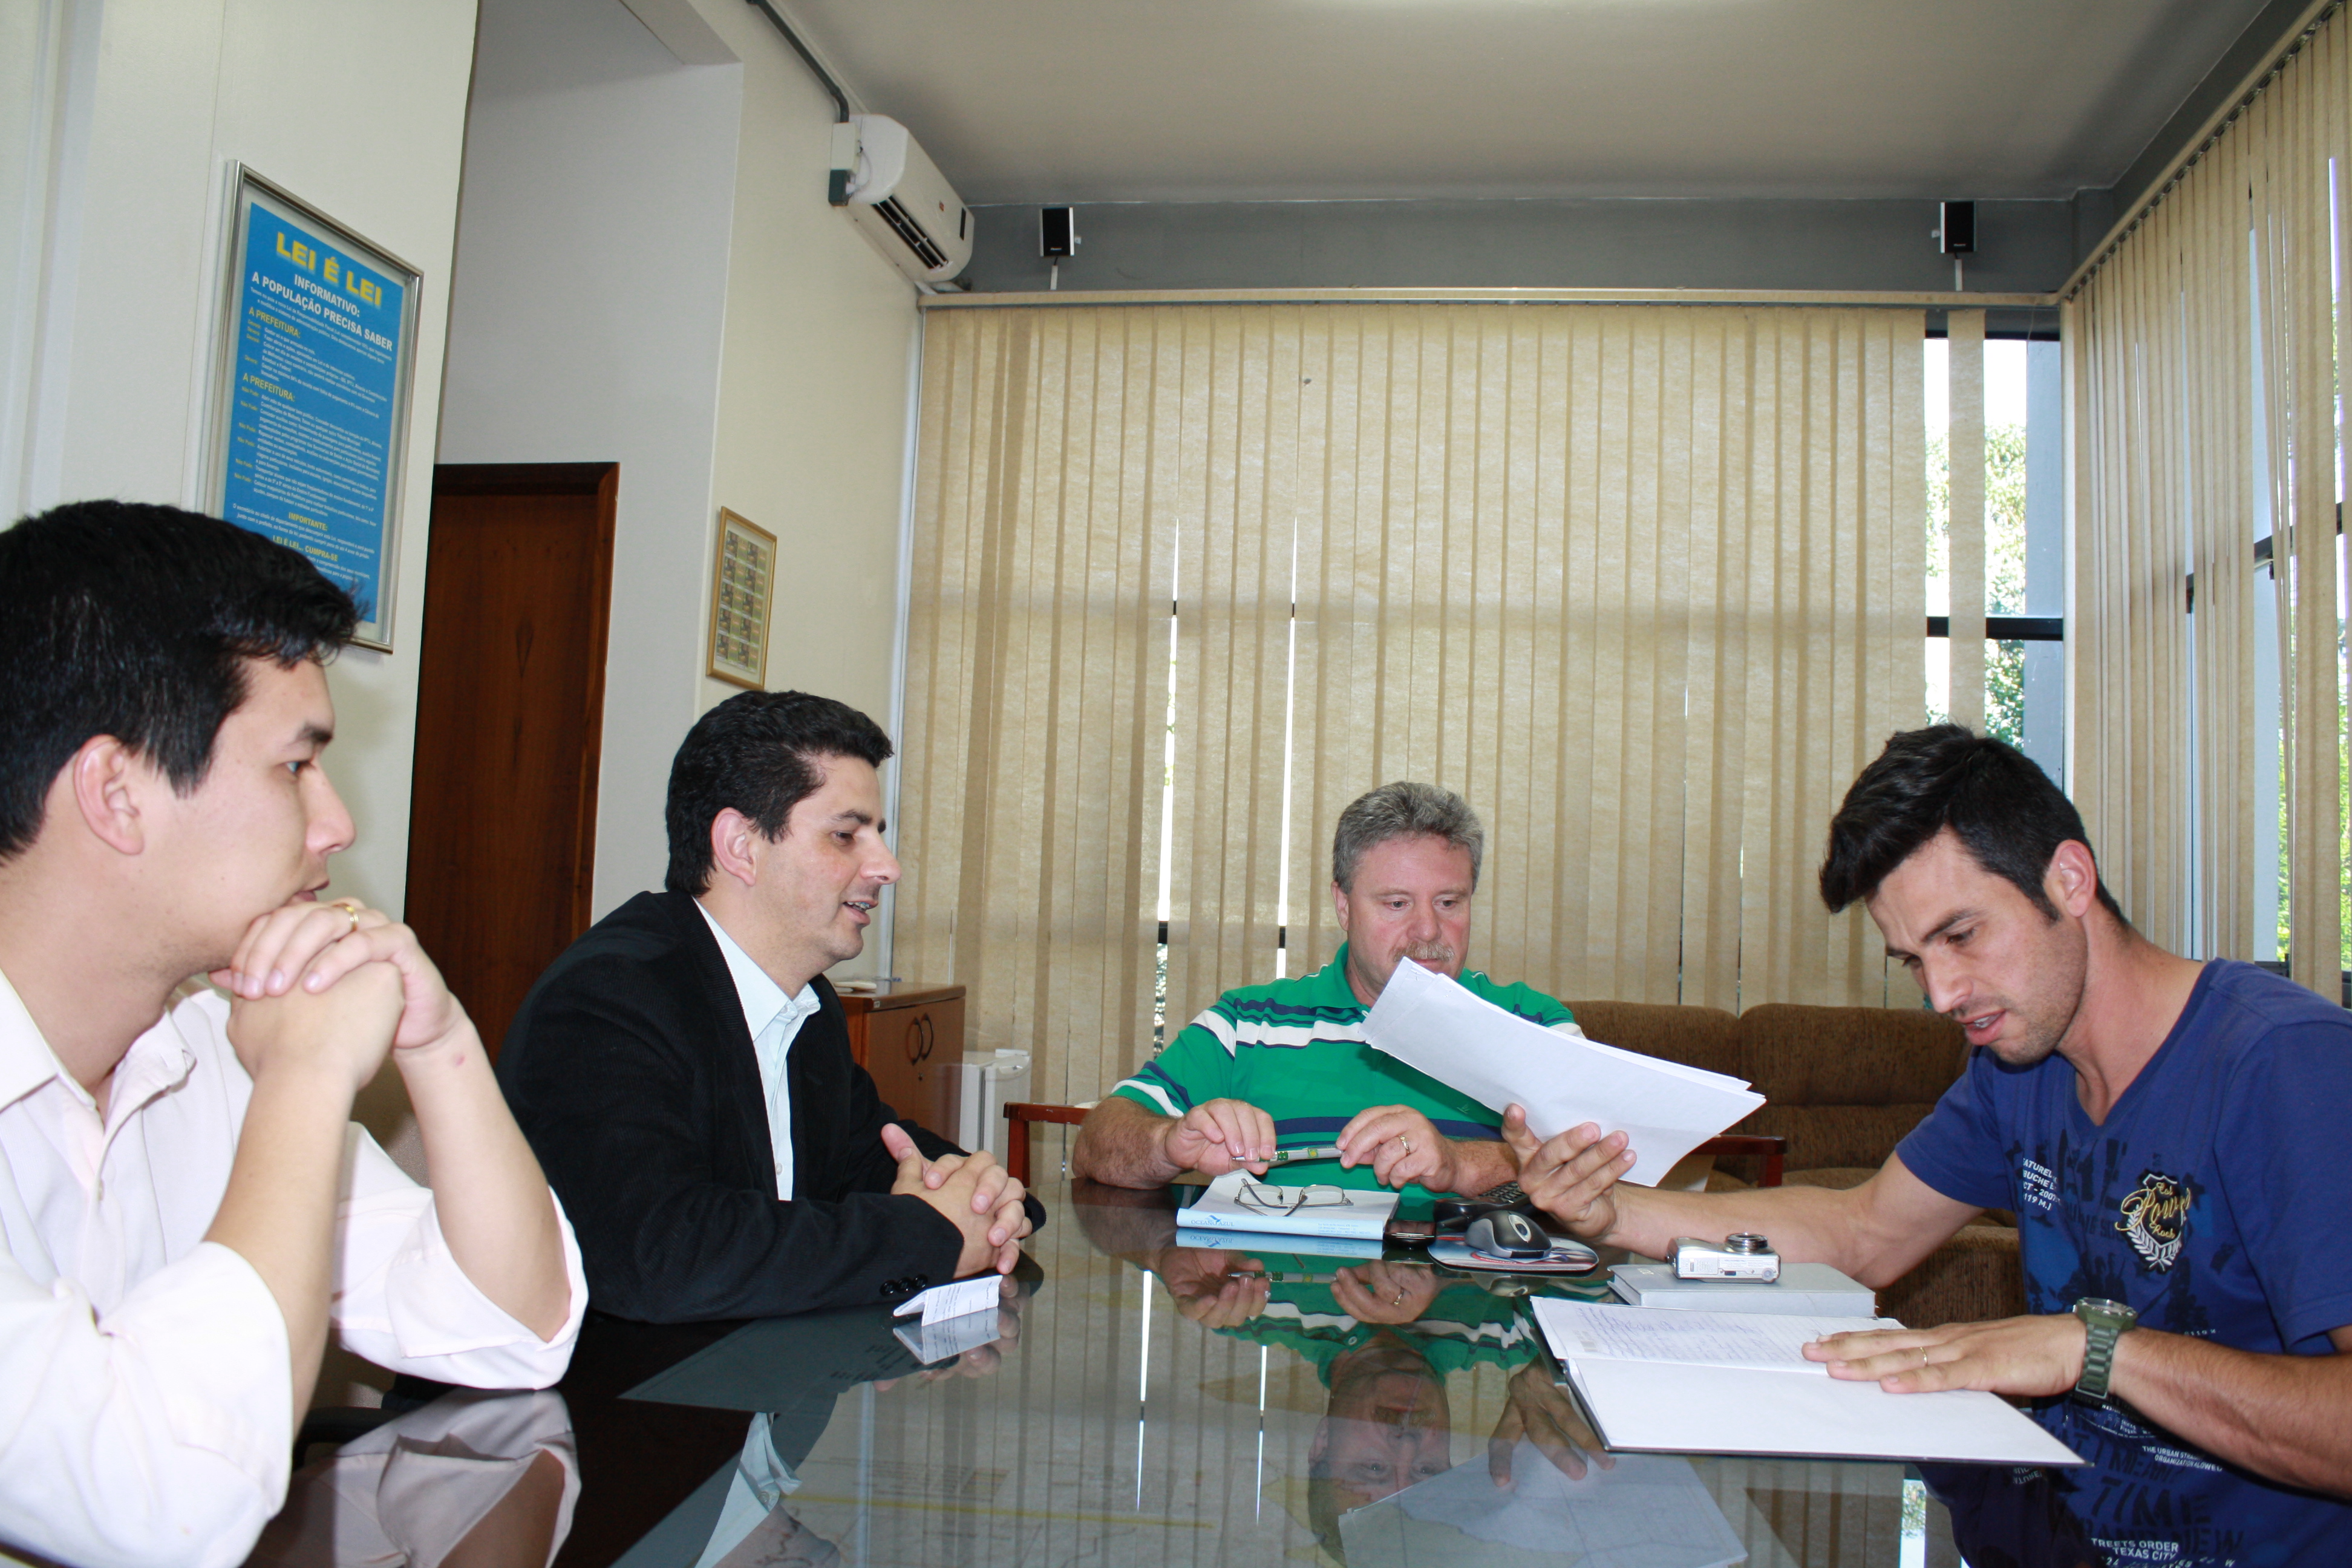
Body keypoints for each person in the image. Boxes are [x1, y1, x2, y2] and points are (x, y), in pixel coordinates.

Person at [1512, 725, 2352, 1563]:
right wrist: (1613, 1211)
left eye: (1962, 935)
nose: (1944, 994)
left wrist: (2092, 1350)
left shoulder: (2286, 1065)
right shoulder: (2018, 1068)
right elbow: (1864, 1231)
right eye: (1914, 960)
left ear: (2068, 879)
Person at [0, 501, 583, 1568]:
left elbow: (511, 1326)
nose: (337, 823)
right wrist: (311, 1072)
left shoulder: (197, 1049)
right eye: (293, 765)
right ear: (116, 794)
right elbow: (166, 1509)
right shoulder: (267, 1059)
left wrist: (439, 1035)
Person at [497, 691, 1038, 1322]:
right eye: (846, 835)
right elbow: (664, 1257)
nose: (887, 867)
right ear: (740, 845)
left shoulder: (805, 1003)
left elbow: (877, 1157)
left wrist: (988, 1201)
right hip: (601, 1403)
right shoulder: (609, 998)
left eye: (879, 837)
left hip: (740, 1385)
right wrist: (931, 1235)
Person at [1073, 781, 1589, 1201]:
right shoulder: (1248, 1025)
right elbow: (1096, 1146)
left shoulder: (1538, 1028)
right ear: (1343, 906)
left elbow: (1607, 1181)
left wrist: (1459, 1164)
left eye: (1450, 903)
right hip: (1287, 1307)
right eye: (1397, 905)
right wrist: (1169, 1142)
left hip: (1474, 1314)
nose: (1429, 932)